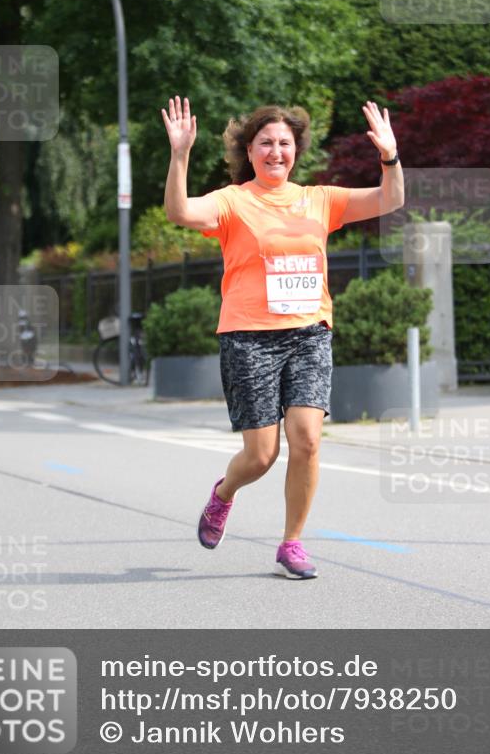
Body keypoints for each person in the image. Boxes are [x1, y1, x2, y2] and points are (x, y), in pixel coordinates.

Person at [161, 96, 404, 579]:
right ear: (248, 151)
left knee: (308, 440)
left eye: (285, 143)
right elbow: (180, 212)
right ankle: (223, 494)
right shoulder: (233, 201)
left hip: (309, 333)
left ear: (297, 151)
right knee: (261, 455)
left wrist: (390, 155)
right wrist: (180, 155)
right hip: (249, 337)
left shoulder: (320, 199)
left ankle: (292, 543)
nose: (276, 151)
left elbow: (389, 199)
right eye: (266, 143)